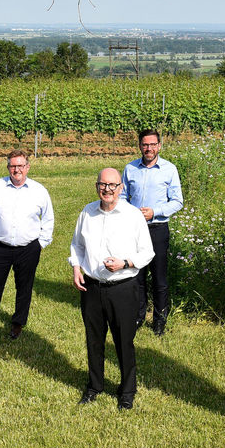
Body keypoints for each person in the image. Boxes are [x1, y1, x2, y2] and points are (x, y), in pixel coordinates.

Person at [69, 168, 155, 410]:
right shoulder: (88, 212)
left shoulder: (132, 215)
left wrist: (125, 263)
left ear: (121, 188)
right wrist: (76, 266)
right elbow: (77, 245)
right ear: (96, 186)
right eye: (102, 184)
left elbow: (147, 252)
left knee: (123, 341)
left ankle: (127, 390)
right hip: (92, 288)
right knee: (94, 340)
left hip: (123, 288)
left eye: (112, 185)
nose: (107, 189)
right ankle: (94, 385)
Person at [0, 149, 54, 341]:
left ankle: (18, 323)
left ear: (27, 167)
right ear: (8, 167)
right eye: (13, 166)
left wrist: (40, 244)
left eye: (20, 166)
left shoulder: (39, 191)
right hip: (0, 247)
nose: (17, 170)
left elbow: (48, 219)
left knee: (24, 287)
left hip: (28, 248)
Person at [121, 129, 183, 336]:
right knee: (137, 275)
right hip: (135, 230)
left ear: (159, 146)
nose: (149, 148)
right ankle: (138, 316)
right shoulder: (130, 169)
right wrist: (131, 212)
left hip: (157, 228)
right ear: (140, 146)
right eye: (145, 145)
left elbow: (177, 201)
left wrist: (155, 212)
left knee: (159, 277)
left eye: (152, 144)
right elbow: (122, 196)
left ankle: (159, 319)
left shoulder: (169, 169)